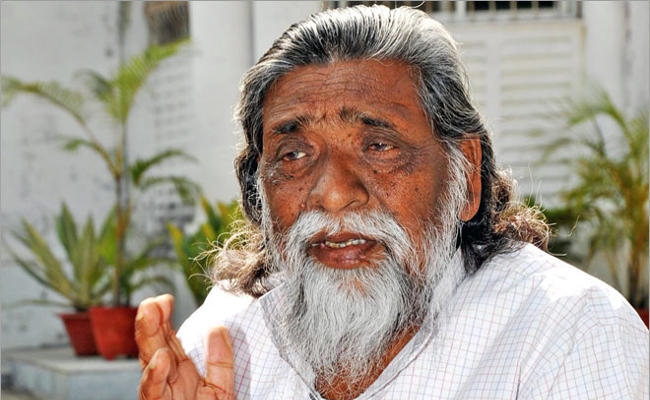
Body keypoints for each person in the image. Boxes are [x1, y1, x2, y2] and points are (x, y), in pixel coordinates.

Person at [136, 5, 649, 400]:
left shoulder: (568, 330)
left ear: (466, 176)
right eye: (294, 154)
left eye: (379, 146)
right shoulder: (224, 340)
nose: (333, 193)